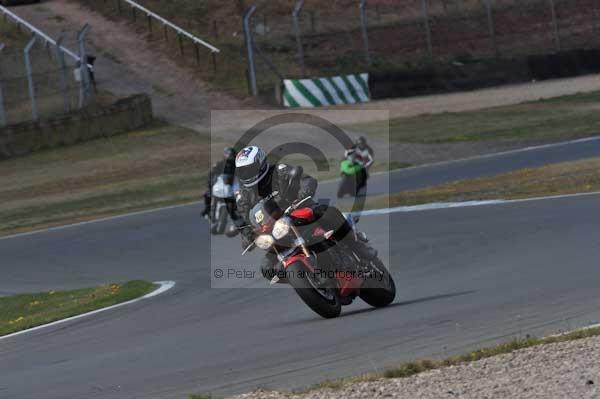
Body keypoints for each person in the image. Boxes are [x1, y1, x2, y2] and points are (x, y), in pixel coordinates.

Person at [234, 146, 377, 280]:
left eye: (250, 169)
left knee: (328, 212)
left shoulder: (279, 170)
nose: (247, 174)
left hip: (299, 210)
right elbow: (244, 220)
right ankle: (304, 280)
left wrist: (304, 191)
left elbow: (306, 180)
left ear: (261, 164)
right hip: (277, 231)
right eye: (243, 171)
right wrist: (247, 236)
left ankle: (357, 246)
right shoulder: (244, 196)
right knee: (267, 268)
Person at [202, 147, 237, 218]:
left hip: (232, 186)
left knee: (239, 198)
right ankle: (207, 209)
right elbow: (211, 174)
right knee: (207, 193)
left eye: (232, 155)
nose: (230, 157)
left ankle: (235, 213)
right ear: (224, 155)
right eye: (229, 155)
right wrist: (210, 184)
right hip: (220, 184)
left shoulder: (237, 166)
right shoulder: (219, 164)